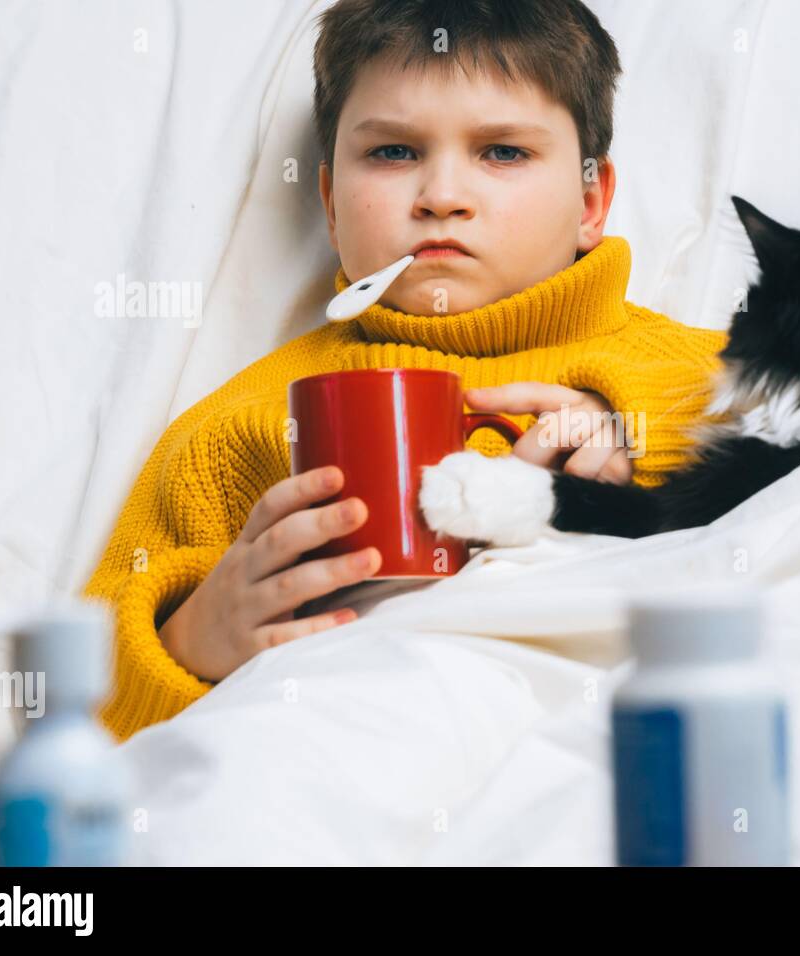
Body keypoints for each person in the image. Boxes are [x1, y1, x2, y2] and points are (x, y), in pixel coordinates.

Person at [81, 0, 729, 741]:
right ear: (329, 204)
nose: (442, 197)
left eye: (503, 152)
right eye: (393, 153)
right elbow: (86, 690)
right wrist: (190, 643)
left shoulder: (704, 371)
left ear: (589, 202)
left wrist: (648, 429)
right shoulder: (239, 429)